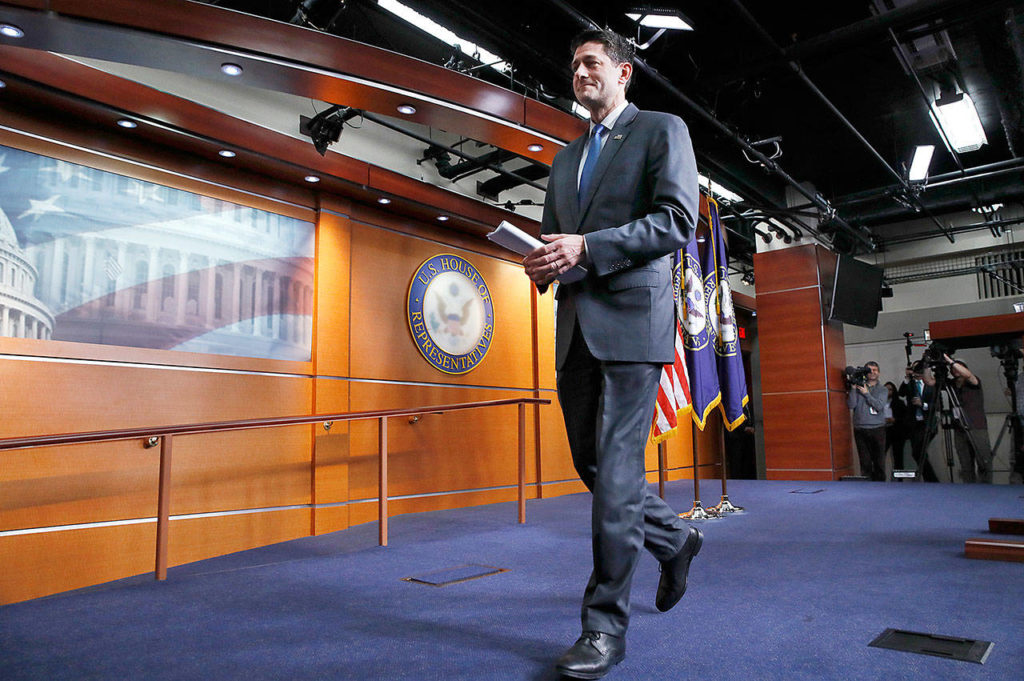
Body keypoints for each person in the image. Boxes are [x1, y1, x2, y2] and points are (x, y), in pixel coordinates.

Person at [522, 28, 701, 680]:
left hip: (632, 323)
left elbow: (678, 219)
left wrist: (587, 248)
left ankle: (603, 629)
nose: (580, 72)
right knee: (594, 464)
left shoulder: (662, 129)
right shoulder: (565, 158)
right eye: (573, 65)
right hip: (574, 327)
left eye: (591, 62)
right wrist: (542, 261)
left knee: (618, 472)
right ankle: (675, 537)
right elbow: (553, 237)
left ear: (624, 72)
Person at [944, 355, 993, 483]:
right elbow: (930, 381)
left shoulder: (973, 381)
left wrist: (951, 361)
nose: (955, 370)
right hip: (959, 429)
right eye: (952, 368)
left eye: (958, 367)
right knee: (965, 464)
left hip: (976, 427)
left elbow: (969, 375)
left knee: (983, 462)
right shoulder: (951, 385)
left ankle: (986, 490)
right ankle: (969, 489)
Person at [899, 362, 940, 481]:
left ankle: (931, 480)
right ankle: (930, 479)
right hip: (914, 424)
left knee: (919, 452)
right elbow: (901, 393)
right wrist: (907, 377)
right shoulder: (910, 383)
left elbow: (938, 405)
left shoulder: (932, 384)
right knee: (917, 453)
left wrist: (923, 404)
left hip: (928, 423)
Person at [847, 362, 888, 481]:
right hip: (860, 428)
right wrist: (853, 389)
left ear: (878, 372)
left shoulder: (882, 389)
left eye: (875, 370)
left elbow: (879, 406)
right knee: (864, 462)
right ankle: (867, 489)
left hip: (878, 428)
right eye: (870, 370)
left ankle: (881, 488)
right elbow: (851, 404)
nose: (872, 372)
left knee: (879, 461)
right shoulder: (858, 386)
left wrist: (867, 394)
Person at [884, 381, 910, 475]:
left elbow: (905, 417)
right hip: (883, 431)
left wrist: (895, 420)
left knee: (898, 456)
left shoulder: (899, 402)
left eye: (890, 389)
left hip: (897, 432)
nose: (888, 392)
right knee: (880, 455)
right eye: (886, 389)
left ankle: (899, 479)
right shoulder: (879, 402)